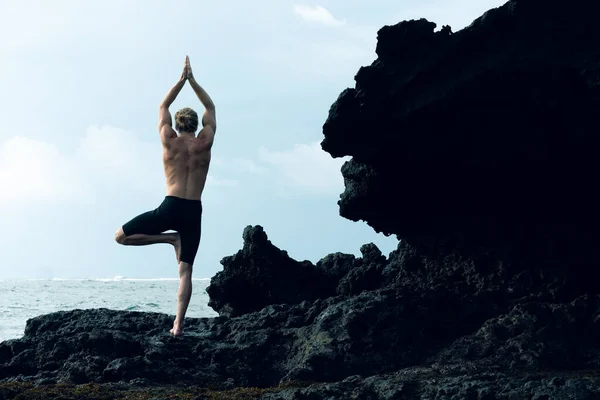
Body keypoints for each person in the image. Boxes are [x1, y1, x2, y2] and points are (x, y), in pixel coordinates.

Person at [114, 55, 216, 336]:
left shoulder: (168, 140)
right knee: (186, 272)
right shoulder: (205, 141)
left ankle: (169, 238)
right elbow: (210, 106)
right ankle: (178, 326)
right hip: (193, 209)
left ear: (177, 125)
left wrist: (180, 80)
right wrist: (193, 81)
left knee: (121, 236)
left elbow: (163, 105)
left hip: (169, 208)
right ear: (196, 124)